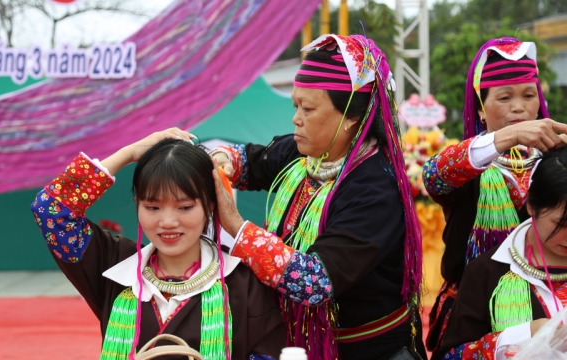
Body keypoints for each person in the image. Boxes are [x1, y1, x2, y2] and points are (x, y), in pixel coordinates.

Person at [209, 34, 426, 359]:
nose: (296, 118)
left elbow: (314, 280)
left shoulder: (375, 188)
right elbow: (247, 161)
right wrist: (221, 161)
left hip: (366, 351)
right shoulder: (304, 153)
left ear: (353, 117)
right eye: (295, 105)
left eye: (307, 109)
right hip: (296, 341)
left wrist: (238, 228)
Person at [30, 130, 286, 360]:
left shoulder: (242, 282)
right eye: (152, 207)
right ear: (138, 205)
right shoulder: (115, 268)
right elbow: (51, 210)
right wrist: (128, 153)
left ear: (210, 205)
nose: (167, 222)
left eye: (185, 207)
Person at [422, 37, 567, 354]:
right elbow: (432, 176)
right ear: (480, 109)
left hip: (548, 299)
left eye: (529, 96)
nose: (519, 107)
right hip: (473, 309)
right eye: (504, 97)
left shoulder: (555, 164)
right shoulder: (469, 167)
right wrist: (507, 136)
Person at [436, 147, 567, 360]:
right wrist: (521, 336)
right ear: (532, 207)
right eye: (562, 223)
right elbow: (449, 357)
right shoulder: (488, 272)